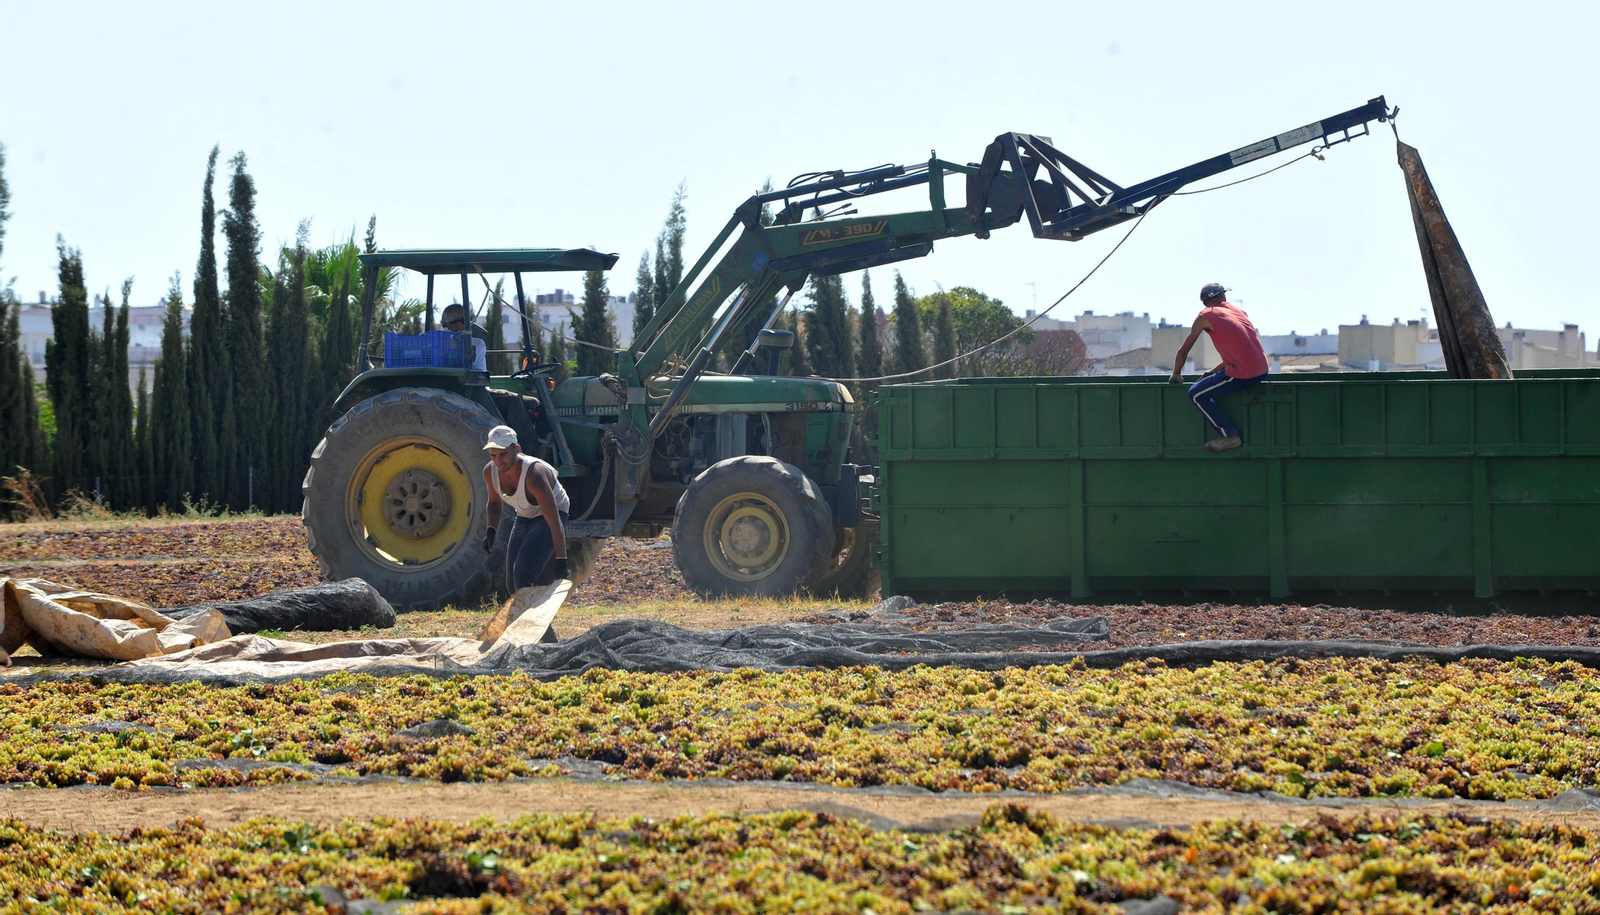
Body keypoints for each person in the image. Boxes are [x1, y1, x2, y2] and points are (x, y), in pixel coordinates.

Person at [1169, 283, 1269, 452]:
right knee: (1207, 385)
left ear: (1204, 302)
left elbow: (1183, 351)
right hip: (1262, 369)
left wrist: (1176, 374)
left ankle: (1229, 436)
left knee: (1196, 393)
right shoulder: (1238, 311)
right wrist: (1214, 371)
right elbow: (1243, 350)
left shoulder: (1205, 316)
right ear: (1222, 296)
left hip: (1244, 373)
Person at [482, 424, 571, 592]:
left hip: (552, 513)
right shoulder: (490, 472)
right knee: (511, 584)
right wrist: (491, 530)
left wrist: (561, 561)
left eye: (503, 454)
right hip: (524, 514)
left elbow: (554, 522)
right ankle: (525, 608)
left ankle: (532, 609)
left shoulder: (534, 475)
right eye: (493, 455)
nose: (498, 461)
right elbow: (494, 504)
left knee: (522, 573)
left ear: (516, 449)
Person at [442, 303, 488, 372]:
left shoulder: (431, 343)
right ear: (451, 325)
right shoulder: (477, 344)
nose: (468, 323)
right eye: (464, 321)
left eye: (469, 319)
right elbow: (480, 373)